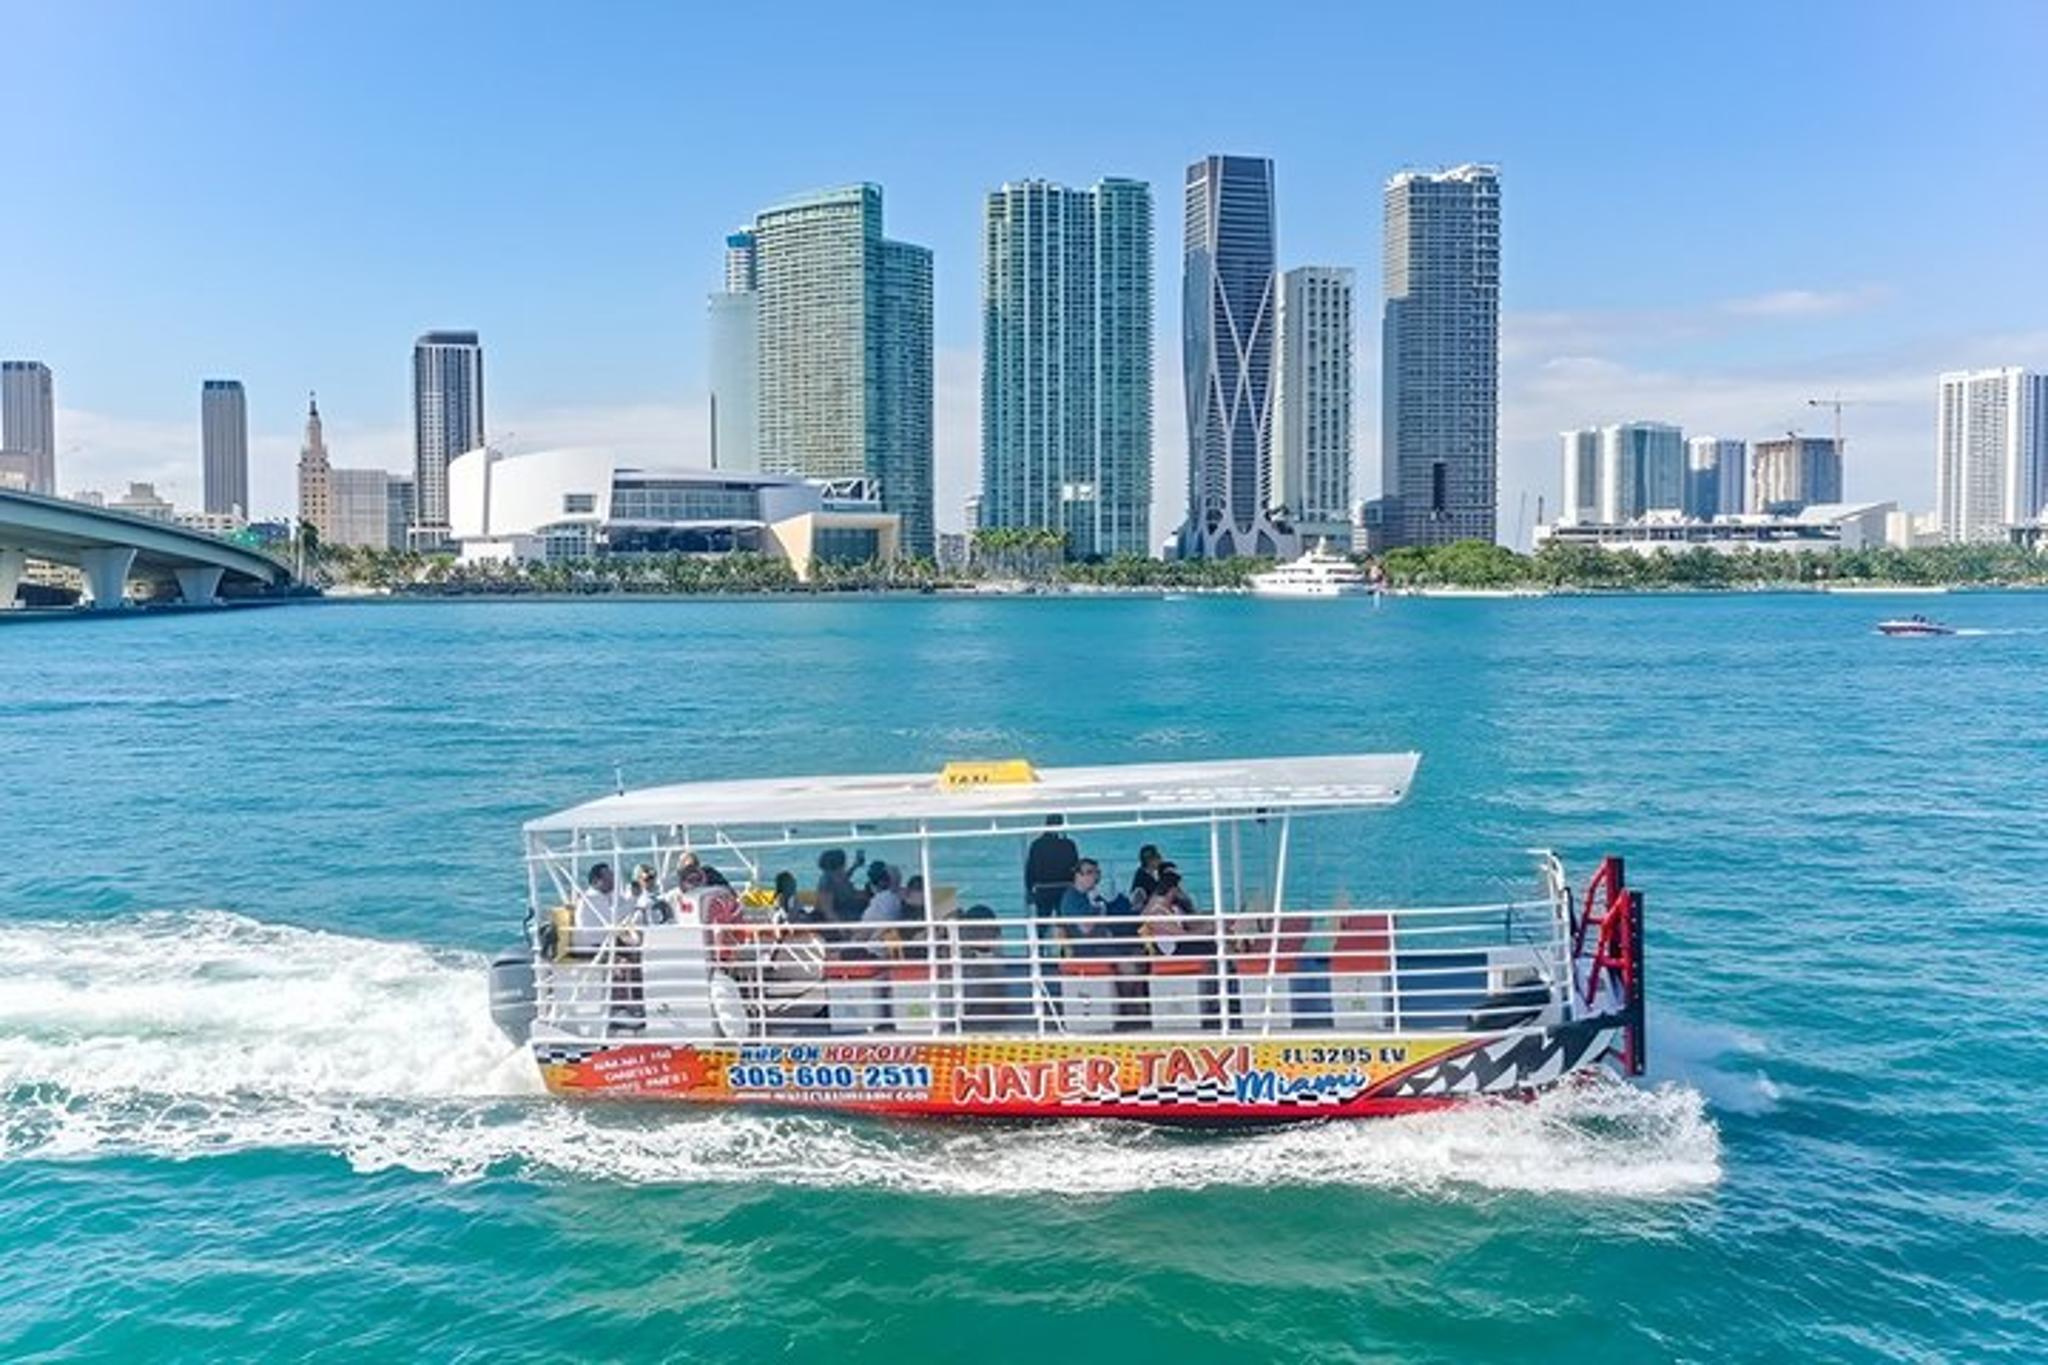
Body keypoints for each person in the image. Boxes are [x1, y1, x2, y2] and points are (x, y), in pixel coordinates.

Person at [574, 863, 644, 1031]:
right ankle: (618, 1009)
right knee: (621, 965)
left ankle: (636, 1001)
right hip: (594, 946)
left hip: (607, 942)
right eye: (609, 877)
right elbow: (615, 919)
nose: (613, 880)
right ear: (597, 881)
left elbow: (621, 906)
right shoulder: (592, 899)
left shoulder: (605, 896)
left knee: (638, 954)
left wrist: (632, 896)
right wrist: (634, 899)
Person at [1025, 816, 1079, 916]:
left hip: (1043, 889)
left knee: (1043, 923)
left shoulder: (1037, 844)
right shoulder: (1069, 844)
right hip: (1064, 888)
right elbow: (1076, 868)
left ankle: (1041, 932)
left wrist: (1029, 890)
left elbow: (1030, 870)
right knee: (1065, 921)